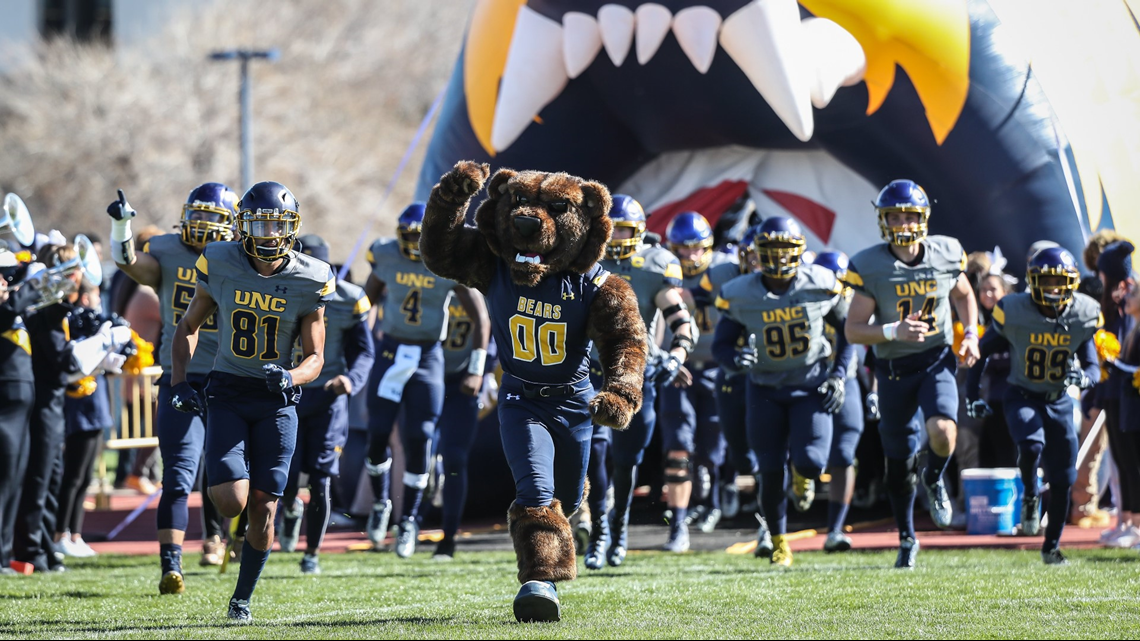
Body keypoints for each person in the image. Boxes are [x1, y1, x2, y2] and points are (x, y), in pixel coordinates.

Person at [169, 181, 334, 622]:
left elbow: (316, 357)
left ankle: (241, 599)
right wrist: (180, 382)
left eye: (276, 224)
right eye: (259, 223)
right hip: (227, 390)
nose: (268, 233)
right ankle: (221, 534)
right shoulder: (220, 259)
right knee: (231, 501)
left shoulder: (312, 276)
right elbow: (189, 325)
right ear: (243, 225)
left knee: (264, 506)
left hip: (277, 401)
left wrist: (291, 375)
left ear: (291, 227)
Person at [107, 184, 237, 592]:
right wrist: (121, 228)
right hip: (180, 376)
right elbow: (129, 262)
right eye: (197, 214)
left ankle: (226, 538)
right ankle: (171, 565)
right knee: (178, 475)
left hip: (230, 378)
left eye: (212, 217)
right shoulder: (167, 250)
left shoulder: (240, 256)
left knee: (229, 475)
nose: (201, 223)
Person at [844, 179, 980, 568]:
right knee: (899, 460)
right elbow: (853, 330)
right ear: (882, 220)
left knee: (943, 431)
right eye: (894, 216)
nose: (903, 224)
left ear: (924, 218)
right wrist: (892, 331)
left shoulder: (946, 253)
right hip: (892, 369)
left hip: (935, 359)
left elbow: (964, 294)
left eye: (910, 216)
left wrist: (971, 333)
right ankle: (907, 537)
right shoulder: (871, 264)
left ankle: (934, 477)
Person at [712, 216, 854, 567]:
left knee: (811, 462)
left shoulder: (820, 283)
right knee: (770, 470)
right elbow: (721, 345)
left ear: (799, 250)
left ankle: (803, 478)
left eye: (784, 249)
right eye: (771, 250)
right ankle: (778, 541)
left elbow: (849, 331)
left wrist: (838, 375)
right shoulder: (741, 292)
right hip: (764, 389)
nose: (778, 257)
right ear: (757, 252)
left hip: (809, 384)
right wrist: (735, 358)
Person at [362, 203, 489, 557]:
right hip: (391, 351)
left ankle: (408, 521)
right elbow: (365, 304)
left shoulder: (446, 261)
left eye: (420, 237)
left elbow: (481, 318)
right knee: (377, 432)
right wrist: (364, 347)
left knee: (420, 437)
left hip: (427, 356)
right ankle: (381, 503)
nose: (413, 244)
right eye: (408, 236)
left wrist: (477, 368)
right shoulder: (386, 254)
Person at [966, 247, 1101, 563]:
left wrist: (1084, 378)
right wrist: (972, 395)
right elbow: (980, 352)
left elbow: (1093, 366)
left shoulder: (1083, 313)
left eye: (1060, 281)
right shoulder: (1015, 310)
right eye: (1047, 281)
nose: (1054, 288)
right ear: (1033, 282)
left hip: (1058, 400)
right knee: (1030, 445)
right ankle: (1029, 494)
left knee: (1064, 478)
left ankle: (1051, 547)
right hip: (1022, 395)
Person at [586, 195, 695, 569]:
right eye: (613, 230)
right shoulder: (586, 260)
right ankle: (599, 529)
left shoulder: (654, 265)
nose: (617, 238)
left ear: (640, 232)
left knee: (625, 460)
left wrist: (675, 356)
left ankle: (618, 526)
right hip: (591, 371)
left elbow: (682, 322)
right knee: (594, 451)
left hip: (633, 375)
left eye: (625, 230)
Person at [278, 235, 375, 574]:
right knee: (286, 474)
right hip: (286, 394)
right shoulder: (278, 289)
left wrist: (351, 380)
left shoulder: (348, 298)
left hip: (327, 396)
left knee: (321, 479)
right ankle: (291, 508)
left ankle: (312, 554)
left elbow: (364, 351)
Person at [658, 211, 730, 552]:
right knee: (678, 445)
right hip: (678, 368)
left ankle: (712, 496)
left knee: (712, 448)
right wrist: (665, 357)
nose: (690, 255)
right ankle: (678, 525)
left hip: (716, 367)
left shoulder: (726, 270)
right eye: (683, 249)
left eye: (696, 247)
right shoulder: (662, 269)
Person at [431, 290, 492, 559]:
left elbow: (496, 333)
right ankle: (406, 522)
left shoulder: (484, 291)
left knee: (455, 458)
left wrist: (482, 370)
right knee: (415, 449)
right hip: (424, 374)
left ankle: (448, 536)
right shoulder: (431, 281)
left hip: (463, 381)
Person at [811, 250, 864, 551]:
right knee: (805, 453)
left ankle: (835, 528)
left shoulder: (858, 301)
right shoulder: (805, 299)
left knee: (844, 453)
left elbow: (865, 347)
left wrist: (872, 388)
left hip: (848, 380)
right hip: (809, 381)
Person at [0, 249, 39, 575]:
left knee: (14, 481)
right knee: (3, 482)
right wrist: (36, 281)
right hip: (5, 405)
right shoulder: (7, 308)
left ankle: (3, 555)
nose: (4, 282)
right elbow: (11, 308)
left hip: (20, 406)